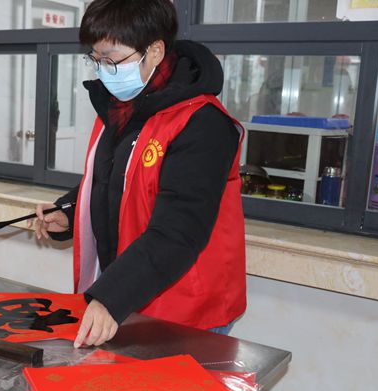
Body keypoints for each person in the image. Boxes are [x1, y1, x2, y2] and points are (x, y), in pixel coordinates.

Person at [29, 0, 246, 348]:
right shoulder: (122, 109)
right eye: (96, 59)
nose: (103, 70)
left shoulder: (203, 123)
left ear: (155, 51)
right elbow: (116, 181)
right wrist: (69, 211)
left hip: (187, 308)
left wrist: (111, 296)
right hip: (135, 295)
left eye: (111, 59)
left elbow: (178, 231)